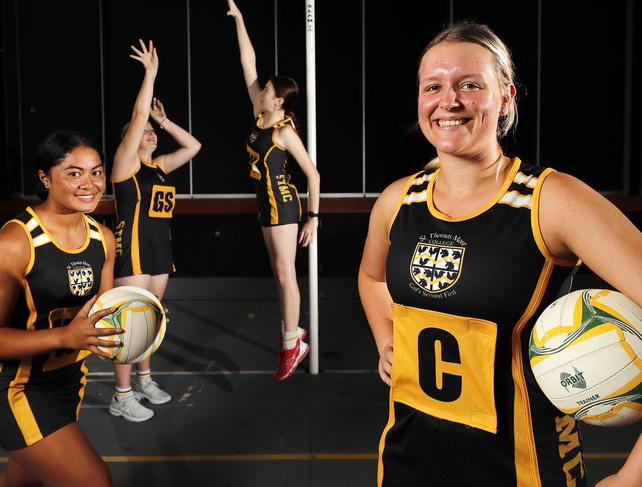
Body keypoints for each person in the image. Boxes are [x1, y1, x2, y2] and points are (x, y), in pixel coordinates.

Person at [358, 21, 642, 487]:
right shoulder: (397, 201)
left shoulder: (550, 202)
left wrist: (631, 477)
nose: (449, 101)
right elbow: (371, 280)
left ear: (506, 98)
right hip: (407, 461)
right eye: (434, 86)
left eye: (470, 85)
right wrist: (386, 339)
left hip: (523, 468)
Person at [0, 131, 121, 486]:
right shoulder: (13, 243)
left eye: (96, 172)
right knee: (92, 481)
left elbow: (104, 314)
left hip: (67, 381)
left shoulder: (103, 239)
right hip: (11, 386)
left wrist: (141, 321)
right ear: (44, 178)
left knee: (22, 480)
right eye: (74, 173)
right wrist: (65, 335)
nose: (90, 184)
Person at [227, 0, 320, 381]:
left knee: (285, 274)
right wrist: (241, 19)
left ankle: (291, 344)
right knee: (278, 272)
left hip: (283, 206)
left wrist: (313, 217)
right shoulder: (259, 114)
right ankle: (293, 334)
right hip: (265, 206)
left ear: (278, 100)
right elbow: (248, 62)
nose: (260, 88)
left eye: (265, 88)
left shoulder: (284, 132)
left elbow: (313, 175)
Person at [109, 39, 201, 422]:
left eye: (152, 129)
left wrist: (164, 121)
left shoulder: (159, 166)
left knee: (151, 321)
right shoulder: (125, 163)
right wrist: (150, 74)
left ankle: (144, 380)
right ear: (128, 135)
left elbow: (194, 145)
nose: (149, 131)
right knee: (130, 325)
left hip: (160, 252)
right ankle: (121, 394)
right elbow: (137, 110)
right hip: (132, 252)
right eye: (143, 128)